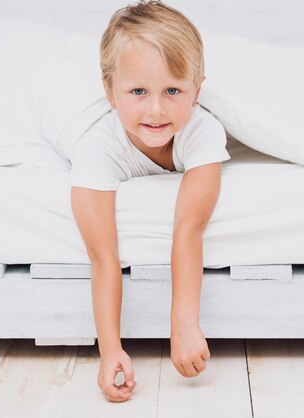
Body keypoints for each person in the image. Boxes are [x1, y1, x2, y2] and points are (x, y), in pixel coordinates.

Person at [70, 0, 231, 403]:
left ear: (197, 91)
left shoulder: (203, 129)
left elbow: (188, 226)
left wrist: (184, 323)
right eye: (138, 91)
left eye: (173, 90)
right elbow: (103, 256)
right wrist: (110, 351)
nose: (156, 110)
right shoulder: (96, 145)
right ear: (109, 91)